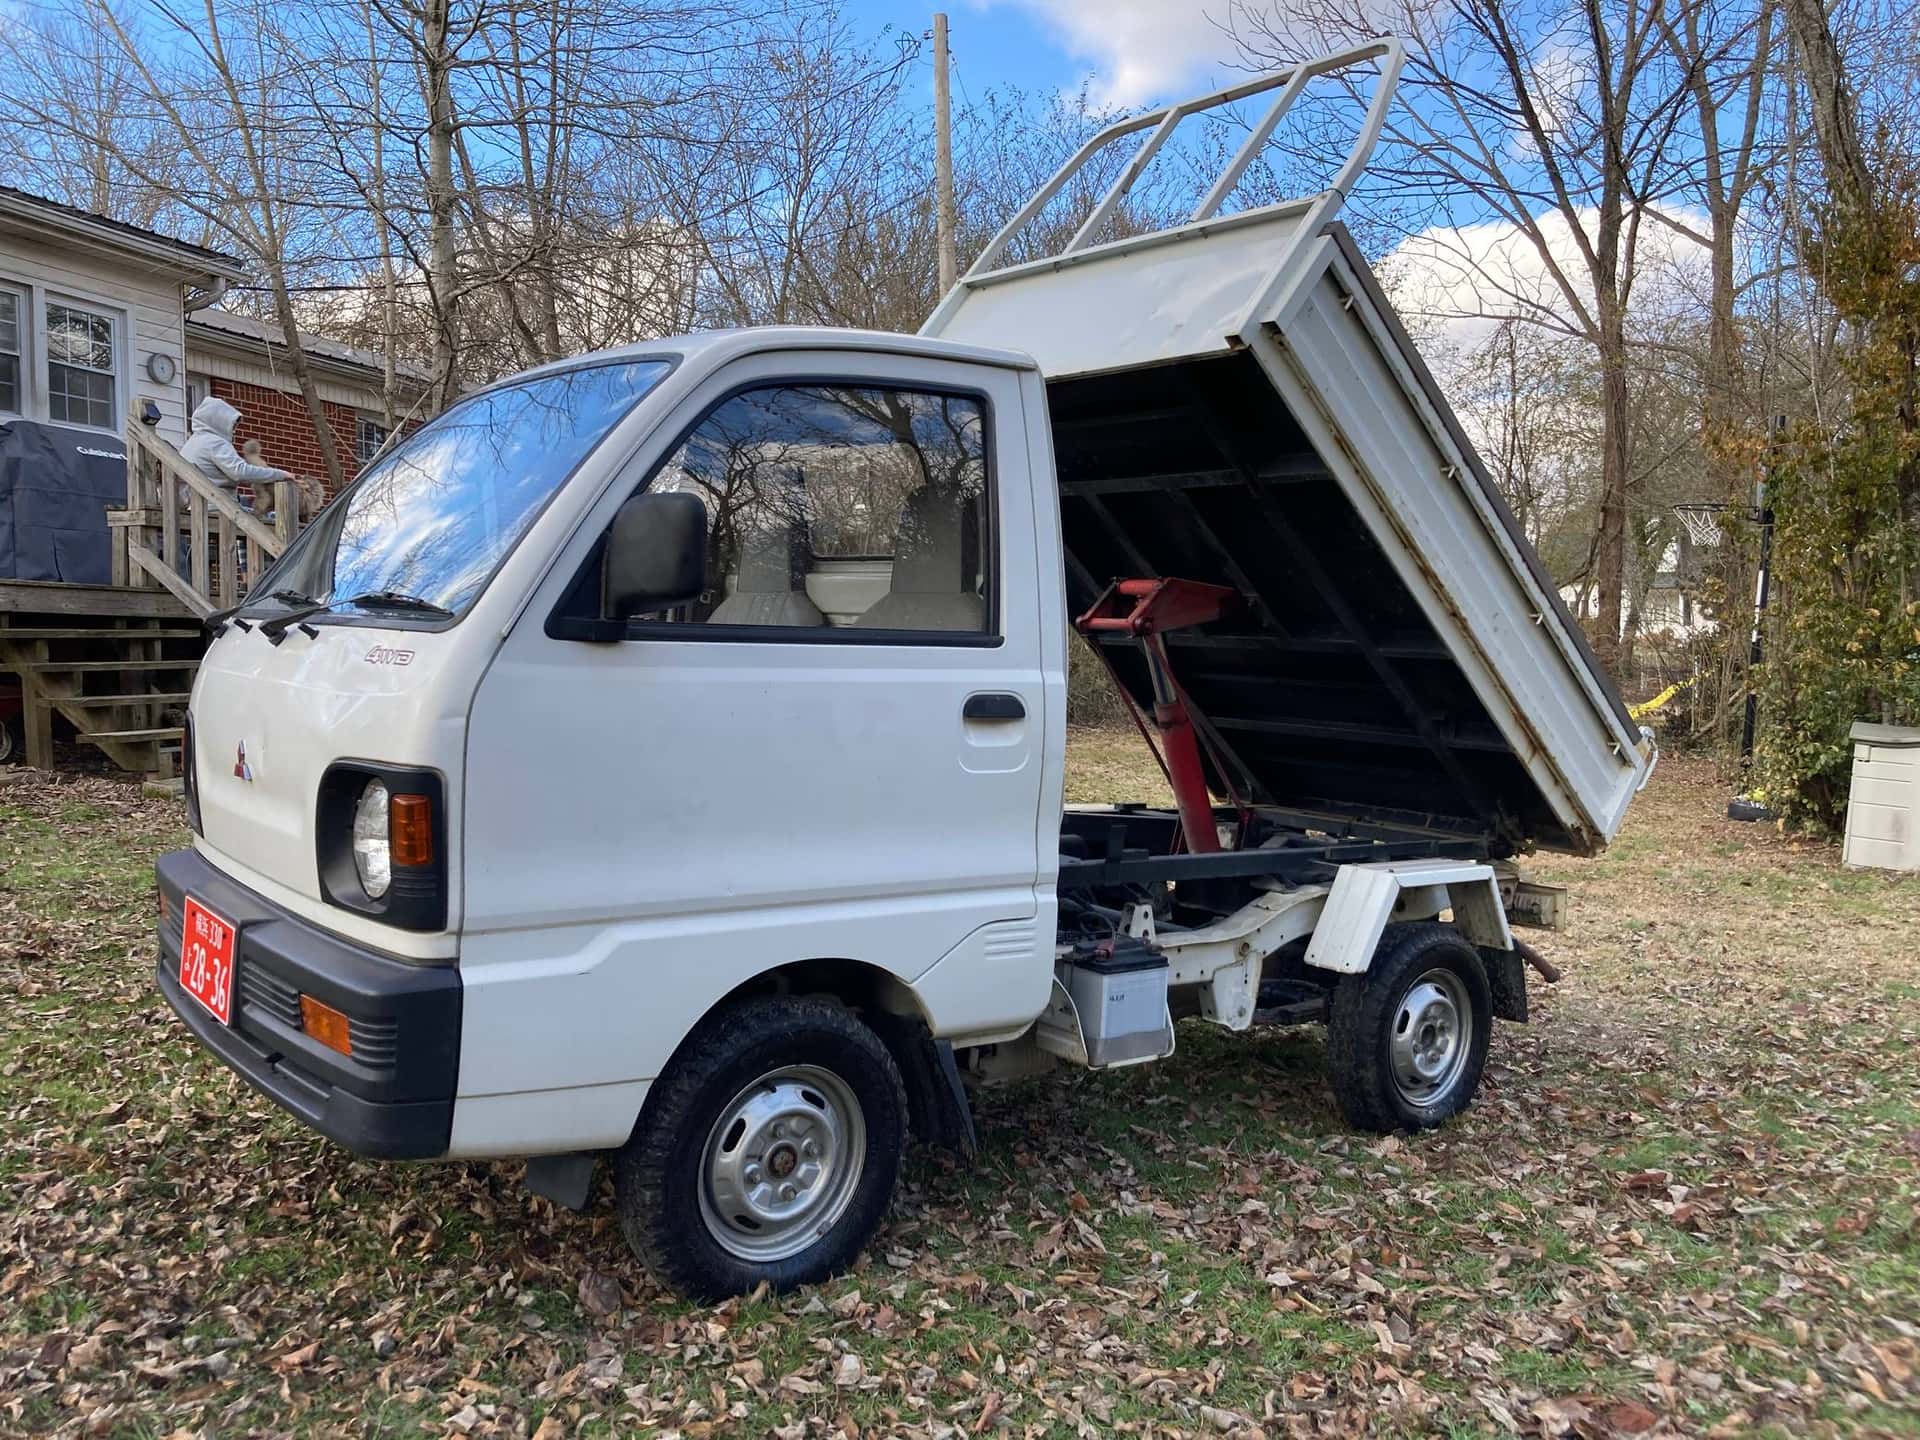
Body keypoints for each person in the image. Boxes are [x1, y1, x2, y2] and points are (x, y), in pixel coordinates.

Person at [177, 396, 305, 583]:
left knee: (251, 519)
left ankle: (250, 576)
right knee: (273, 522)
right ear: (218, 421)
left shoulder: (192, 443)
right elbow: (239, 471)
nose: (234, 430)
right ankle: (271, 579)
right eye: (232, 425)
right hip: (219, 508)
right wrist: (280, 474)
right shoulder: (215, 443)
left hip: (199, 506)